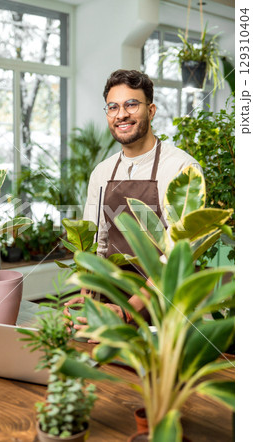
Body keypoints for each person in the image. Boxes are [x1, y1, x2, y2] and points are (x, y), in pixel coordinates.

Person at [64, 69, 201, 333]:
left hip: (167, 311)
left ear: (151, 111)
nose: (121, 114)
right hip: (113, 304)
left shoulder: (182, 168)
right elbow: (96, 244)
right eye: (113, 107)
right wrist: (89, 300)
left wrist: (128, 311)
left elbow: (177, 256)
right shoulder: (102, 172)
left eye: (131, 104)